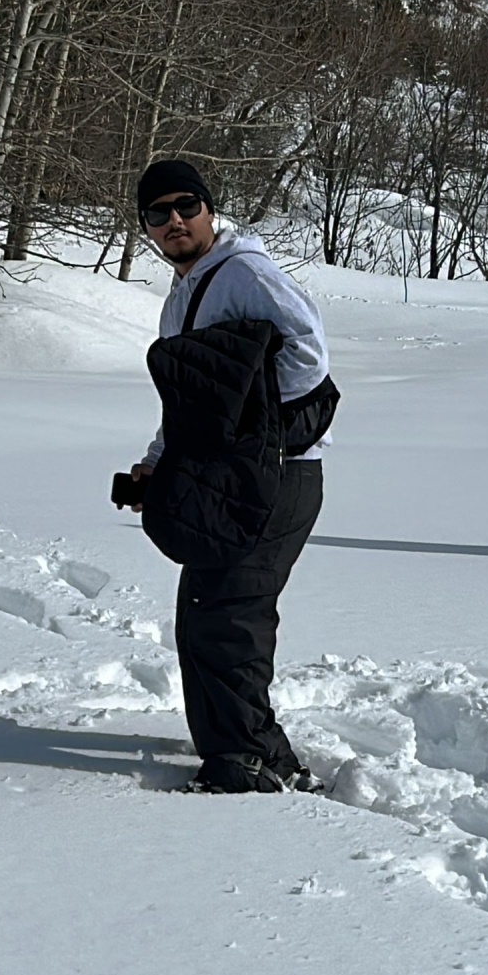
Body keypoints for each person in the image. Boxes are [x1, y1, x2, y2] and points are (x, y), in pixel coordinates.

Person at [130, 159, 339, 795]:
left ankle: (244, 764)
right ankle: (251, 749)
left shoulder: (244, 272)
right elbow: (191, 401)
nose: (174, 220)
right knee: (204, 613)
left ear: (209, 209)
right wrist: (159, 459)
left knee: (229, 615)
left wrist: (251, 430)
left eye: (186, 205)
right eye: (158, 212)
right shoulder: (184, 293)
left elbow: (309, 355)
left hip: (278, 475)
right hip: (232, 477)